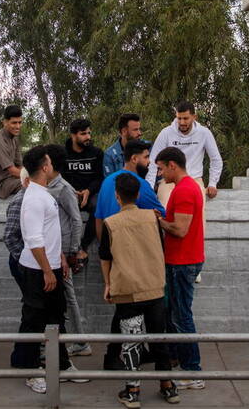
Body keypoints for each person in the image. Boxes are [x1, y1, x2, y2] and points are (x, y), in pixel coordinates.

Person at [99, 173, 180, 407]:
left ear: (117, 196)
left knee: (131, 341)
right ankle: (168, 386)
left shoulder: (110, 224)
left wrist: (108, 284)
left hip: (128, 290)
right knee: (158, 337)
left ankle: (132, 390)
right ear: (138, 195)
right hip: (154, 287)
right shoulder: (153, 218)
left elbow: (105, 257)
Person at [10, 146, 86, 394]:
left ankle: (62, 365)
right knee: (34, 320)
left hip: (51, 265)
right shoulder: (32, 197)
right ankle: (31, 371)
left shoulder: (43, 194)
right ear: (44, 167)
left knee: (56, 319)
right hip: (36, 270)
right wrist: (46, 271)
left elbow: (50, 234)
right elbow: (33, 239)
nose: (53, 165)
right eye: (50, 162)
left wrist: (61, 257)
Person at [95, 139, 166, 369]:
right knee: (142, 313)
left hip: (114, 255)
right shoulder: (139, 185)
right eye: (146, 157)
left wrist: (105, 246)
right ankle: (154, 363)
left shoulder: (107, 182)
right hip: (136, 259)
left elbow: (99, 219)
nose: (149, 162)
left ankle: (114, 356)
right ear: (134, 158)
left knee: (124, 311)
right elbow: (160, 215)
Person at [155, 147, 206, 390]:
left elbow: (181, 229)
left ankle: (192, 370)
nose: (160, 173)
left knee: (182, 316)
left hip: (183, 262)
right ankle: (183, 362)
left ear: (172, 165)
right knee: (176, 314)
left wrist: (159, 221)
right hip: (181, 260)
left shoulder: (185, 190)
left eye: (162, 168)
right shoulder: (184, 188)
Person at [44, 144, 91, 358]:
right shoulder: (47, 185)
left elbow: (76, 220)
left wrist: (73, 251)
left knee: (68, 296)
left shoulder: (63, 188)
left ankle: (80, 342)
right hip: (51, 251)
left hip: (62, 253)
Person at [146, 101, 222, 209]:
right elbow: (153, 161)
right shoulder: (166, 133)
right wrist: (148, 187)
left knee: (198, 211)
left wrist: (212, 183)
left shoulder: (204, 133)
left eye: (186, 118)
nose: (182, 122)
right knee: (166, 210)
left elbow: (216, 159)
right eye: (179, 118)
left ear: (194, 117)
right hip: (169, 181)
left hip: (194, 179)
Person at [62, 118, 104, 271]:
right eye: (83, 134)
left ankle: (83, 249)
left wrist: (89, 191)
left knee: (99, 205)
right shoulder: (62, 153)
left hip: (90, 193)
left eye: (89, 133)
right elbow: (59, 177)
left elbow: (100, 177)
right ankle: (65, 251)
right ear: (73, 135)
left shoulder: (97, 153)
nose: (88, 137)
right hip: (69, 192)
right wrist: (72, 192)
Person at [0, 105, 24, 199]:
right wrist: (32, 178)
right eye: (14, 123)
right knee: (32, 185)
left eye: (20, 122)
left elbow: (19, 165)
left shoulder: (14, 139)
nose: (18, 126)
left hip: (12, 180)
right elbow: (12, 171)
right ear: (5, 122)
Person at [3, 168, 29, 290]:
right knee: (33, 303)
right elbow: (10, 236)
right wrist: (25, 260)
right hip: (23, 263)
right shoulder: (20, 200)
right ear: (27, 181)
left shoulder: (31, 198)